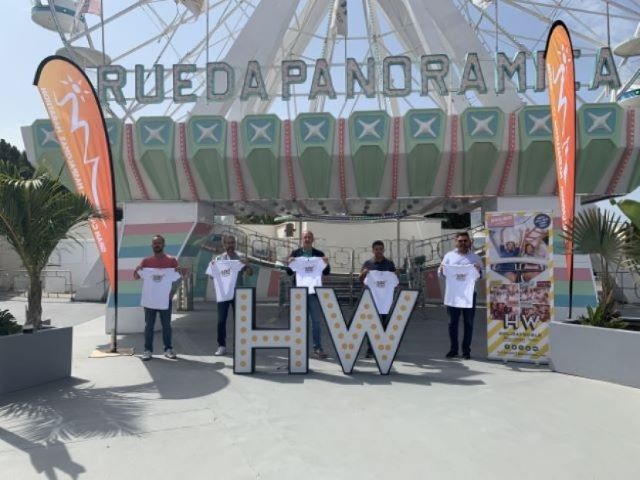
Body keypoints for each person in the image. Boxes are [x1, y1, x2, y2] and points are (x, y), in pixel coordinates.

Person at [134, 235, 183, 361]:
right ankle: (147, 350)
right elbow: (136, 277)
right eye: (155, 243)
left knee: (166, 325)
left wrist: (173, 291)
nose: (157, 245)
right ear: (152, 245)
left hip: (165, 300)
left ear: (163, 244)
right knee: (149, 326)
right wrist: (137, 270)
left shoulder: (172, 261)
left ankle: (168, 349)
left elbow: (178, 278)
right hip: (150, 300)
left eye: (159, 243)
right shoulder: (146, 262)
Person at [286, 230, 331, 359]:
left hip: (314, 292)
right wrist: (289, 262)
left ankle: (317, 348)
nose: (307, 239)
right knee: (298, 321)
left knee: (316, 321)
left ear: (313, 239)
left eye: (309, 237)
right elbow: (289, 273)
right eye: (305, 237)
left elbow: (327, 272)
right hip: (299, 293)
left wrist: (326, 262)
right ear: (302, 239)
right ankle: (298, 348)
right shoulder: (295, 254)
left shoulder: (319, 254)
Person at [439, 231, 483, 360]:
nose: (463, 243)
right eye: (460, 241)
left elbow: (481, 275)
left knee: (468, 323)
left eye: (465, 240)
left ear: (469, 242)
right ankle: (453, 349)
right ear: (455, 241)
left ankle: (466, 351)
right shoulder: (449, 256)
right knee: (452, 323)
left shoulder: (475, 258)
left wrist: (478, 269)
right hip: (453, 296)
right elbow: (441, 273)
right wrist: (442, 270)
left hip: (470, 296)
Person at [208, 235, 253, 356]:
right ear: (224, 245)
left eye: (232, 243)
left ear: (235, 244)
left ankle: (239, 345)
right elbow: (212, 277)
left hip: (238, 293)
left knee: (239, 321)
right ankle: (221, 346)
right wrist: (213, 267)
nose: (230, 245)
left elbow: (250, 273)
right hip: (223, 294)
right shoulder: (218, 259)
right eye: (228, 243)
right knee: (221, 321)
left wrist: (247, 265)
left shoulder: (240, 258)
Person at [359, 240, 397, 358]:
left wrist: (396, 274)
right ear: (373, 250)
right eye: (376, 249)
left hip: (386, 300)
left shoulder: (389, 263)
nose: (379, 251)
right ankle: (370, 349)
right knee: (371, 324)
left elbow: (395, 279)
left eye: (381, 249)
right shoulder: (368, 263)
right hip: (371, 299)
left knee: (385, 324)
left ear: (383, 250)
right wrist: (364, 273)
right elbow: (360, 279)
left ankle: (383, 347)